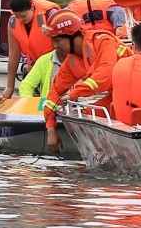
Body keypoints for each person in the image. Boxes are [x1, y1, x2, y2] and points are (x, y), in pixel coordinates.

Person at [41, 9, 130, 154]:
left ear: (71, 36)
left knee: (91, 116)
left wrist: (72, 95)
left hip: (132, 97)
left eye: (57, 40)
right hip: (115, 97)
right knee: (84, 116)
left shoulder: (103, 42)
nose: (55, 46)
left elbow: (104, 78)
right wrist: (50, 128)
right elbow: (54, 93)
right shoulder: (72, 61)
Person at [1, 0, 59, 98]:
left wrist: (52, 32)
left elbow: (66, 45)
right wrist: (10, 86)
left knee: (49, 96)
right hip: (33, 65)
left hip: (54, 65)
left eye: (23, 16)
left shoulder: (50, 15)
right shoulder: (13, 22)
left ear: (32, 8)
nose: (21, 20)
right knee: (25, 87)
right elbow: (14, 55)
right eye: (17, 17)